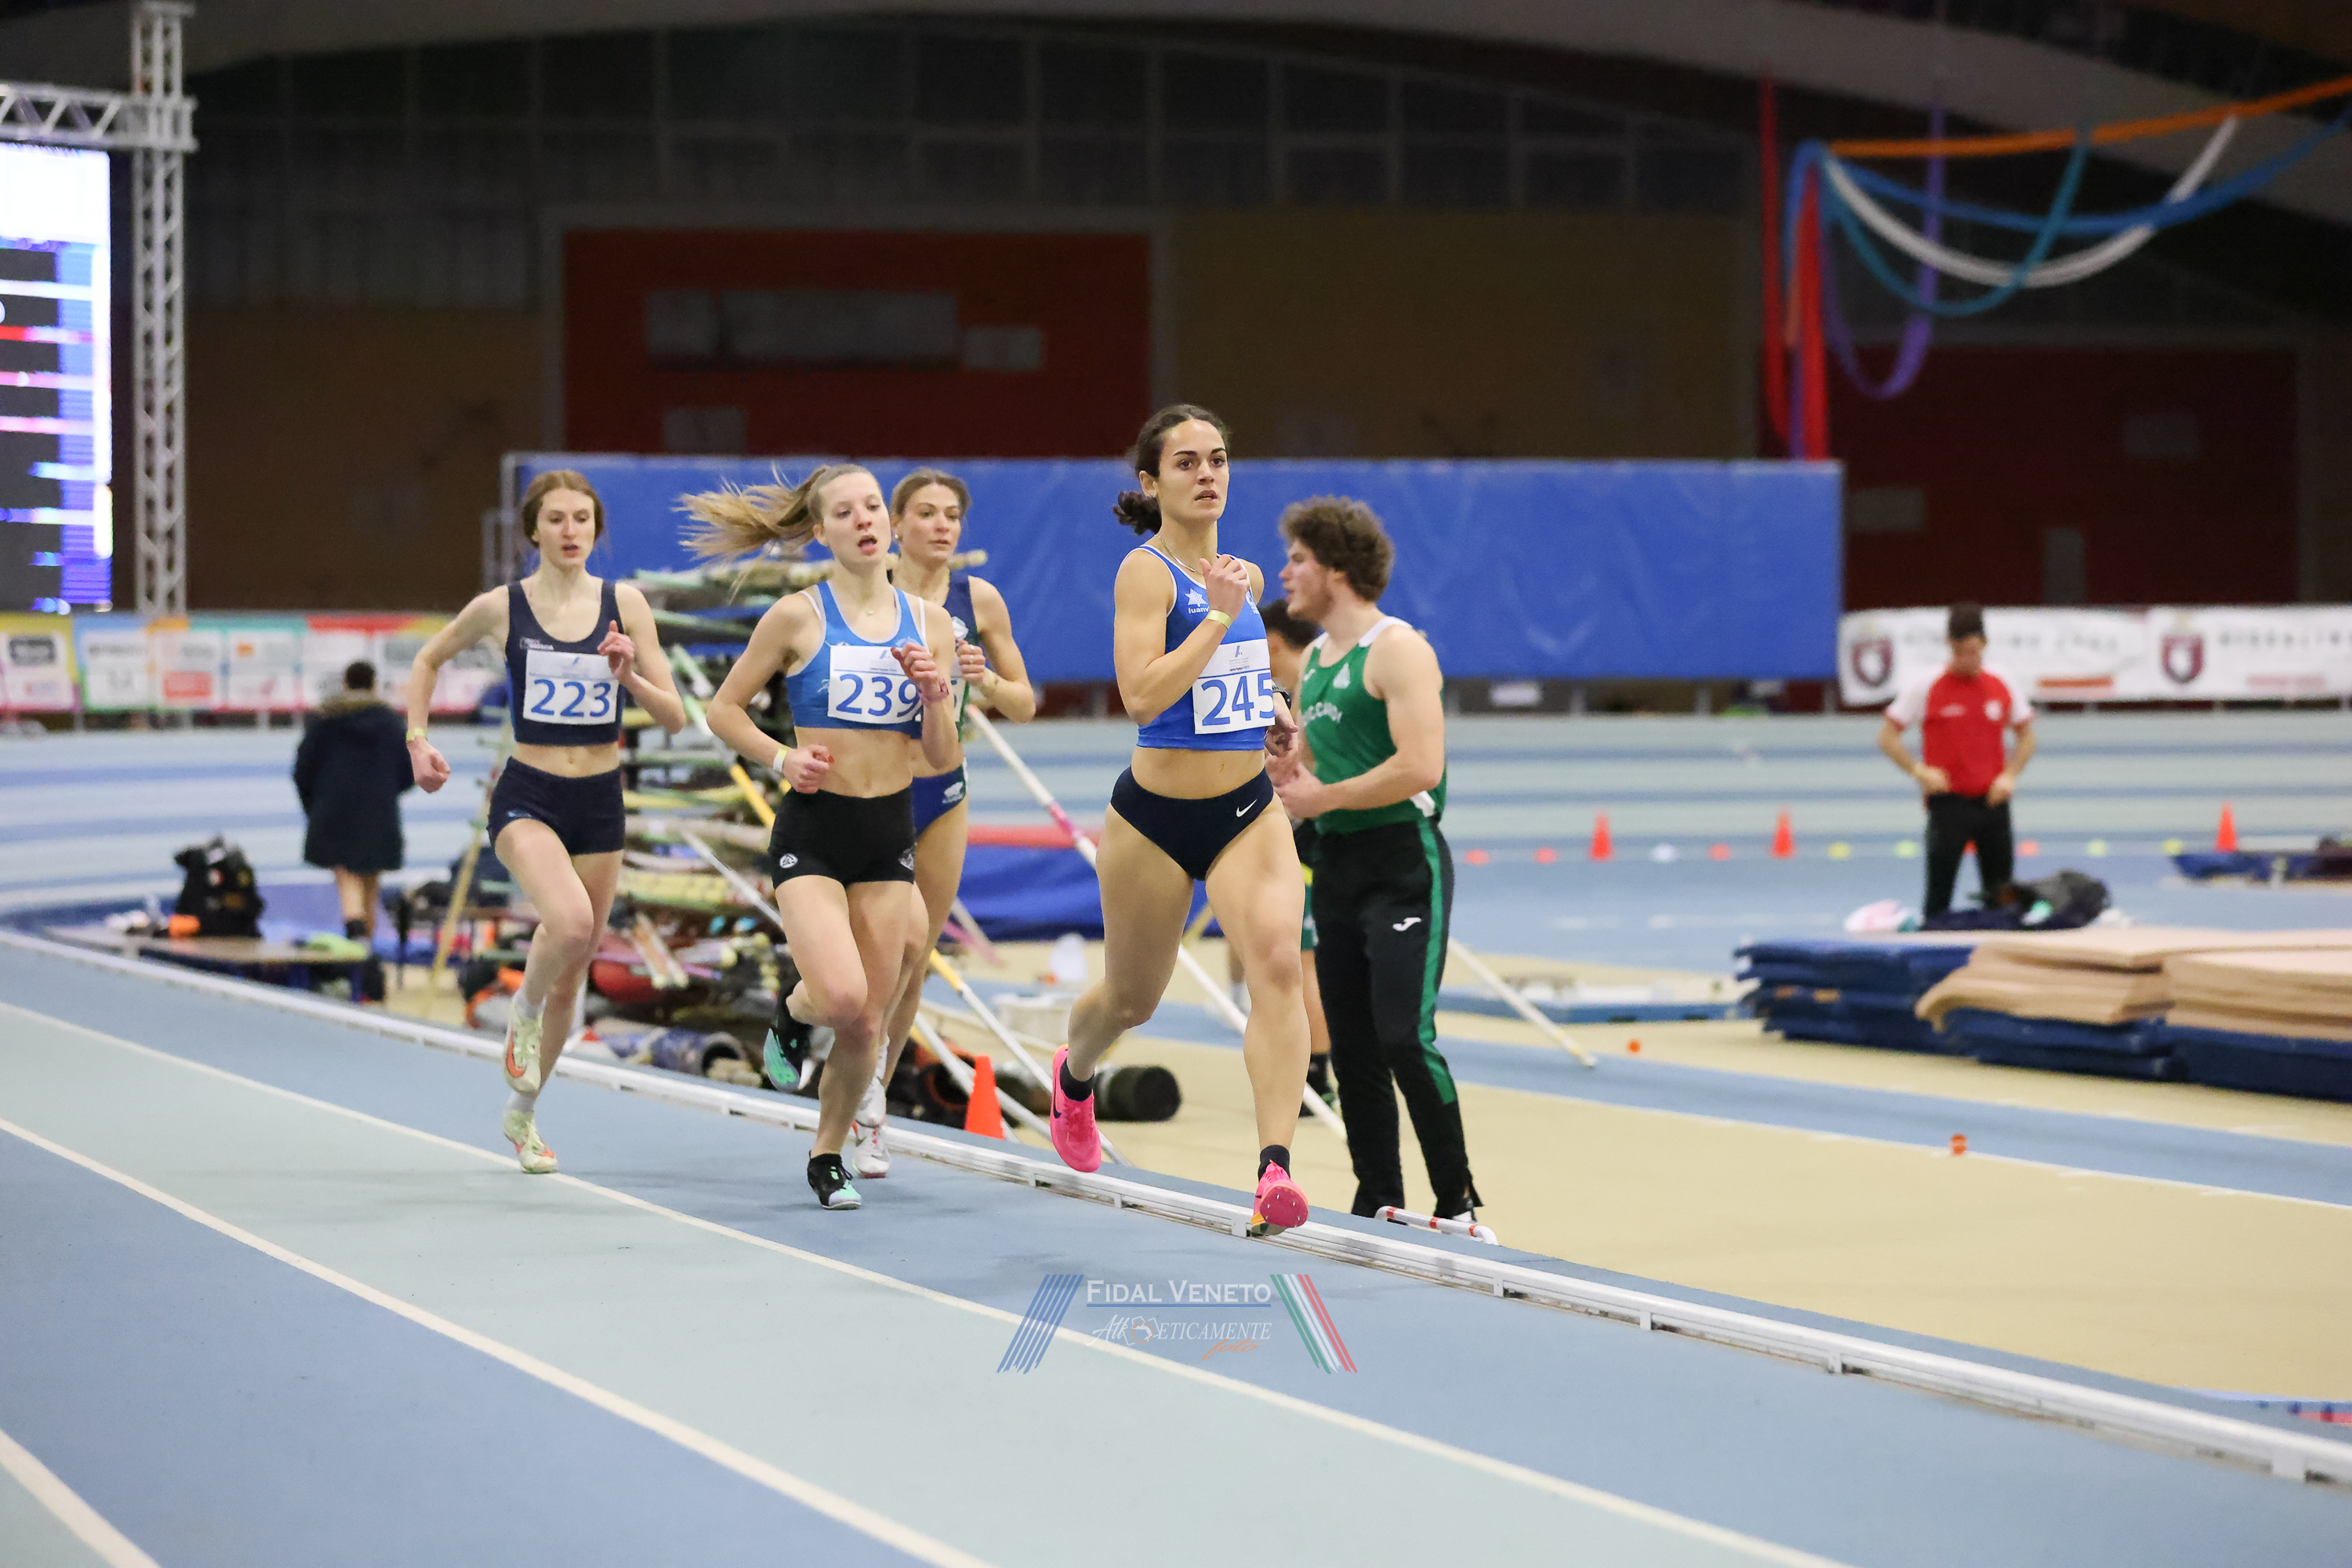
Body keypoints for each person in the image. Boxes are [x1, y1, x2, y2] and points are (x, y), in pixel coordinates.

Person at [1051, 405, 1313, 1239]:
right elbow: (1142, 695)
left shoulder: (1241, 575)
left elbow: (1228, 677)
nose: (1207, 475)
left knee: (1278, 965)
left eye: (1219, 459)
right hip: (1154, 820)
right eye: (1187, 462)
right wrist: (1217, 616)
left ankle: (1274, 1169)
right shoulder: (1147, 573)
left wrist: (1271, 706)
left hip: (1246, 810)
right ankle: (1075, 1075)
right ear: (1151, 481)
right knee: (1133, 1000)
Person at [685, 463, 958, 1212]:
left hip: (887, 833)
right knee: (841, 998)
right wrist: (782, 758)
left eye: (873, 506)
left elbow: (941, 756)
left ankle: (827, 1154)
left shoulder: (930, 624)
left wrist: (936, 696)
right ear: (820, 532)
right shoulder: (797, 617)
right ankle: (796, 1010)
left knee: (867, 1019)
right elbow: (723, 711)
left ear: (889, 522)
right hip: (814, 832)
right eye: (845, 512)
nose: (864, 519)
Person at [407, 470, 688, 1174]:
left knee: (575, 974)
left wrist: (630, 676)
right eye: (556, 519)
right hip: (528, 793)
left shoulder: (625, 605)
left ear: (596, 530)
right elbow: (429, 657)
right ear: (533, 530)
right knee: (569, 923)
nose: (570, 531)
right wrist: (417, 740)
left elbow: (677, 717)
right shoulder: (502, 607)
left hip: (599, 801)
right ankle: (522, 1010)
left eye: (582, 519)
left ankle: (524, 1112)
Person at [1269, 497, 1480, 1221]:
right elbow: (1310, 771)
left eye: (1297, 559)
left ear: (1335, 568)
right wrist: (1285, 768)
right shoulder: (1314, 661)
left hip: (1402, 862)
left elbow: (1421, 766)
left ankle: (1457, 1199)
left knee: (1403, 1037)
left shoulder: (1398, 649)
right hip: (1338, 864)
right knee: (1353, 1048)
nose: (1285, 574)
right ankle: (1378, 1198)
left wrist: (1322, 796)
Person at [843, 467, 1038, 1179]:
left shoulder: (977, 600)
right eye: (925, 513)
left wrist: (984, 679)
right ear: (896, 524)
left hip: (944, 794)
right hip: (874, 793)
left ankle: (872, 1101)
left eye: (952, 514)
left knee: (915, 959)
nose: (941, 526)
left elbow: (1025, 704)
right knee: (877, 955)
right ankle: (820, 1030)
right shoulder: (867, 591)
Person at [1878, 602, 2037, 918]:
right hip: (1948, 803)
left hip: (1992, 802)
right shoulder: (1927, 683)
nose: (1969, 660)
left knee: (2003, 902)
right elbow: (1887, 737)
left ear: (1985, 645)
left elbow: (2027, 737)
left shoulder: (2001, 681)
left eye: (1975, 652)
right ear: (1949, 645)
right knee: (1938, 901)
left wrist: (2010, 776)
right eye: (1961, 652)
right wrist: (1918, 771)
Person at [292, 659, 414, 1001]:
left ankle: (357, 943)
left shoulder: (325, 721)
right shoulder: (391, 723)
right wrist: (385, 791)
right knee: (370, 885)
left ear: (345, 684)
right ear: (374, 685)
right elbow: (408, 772)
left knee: (346, 875)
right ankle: (366, 964)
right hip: (378, 812)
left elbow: (302, 770)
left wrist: (315, 804)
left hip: (334, 809)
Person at [1254, 595, 1334, 1105]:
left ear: (1272, 644)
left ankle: (1315, 1075)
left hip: (1311, 840)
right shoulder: (1324, 676)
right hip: (1319, 834)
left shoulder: (1307, 688)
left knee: (1301, 959)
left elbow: (1309, 769)